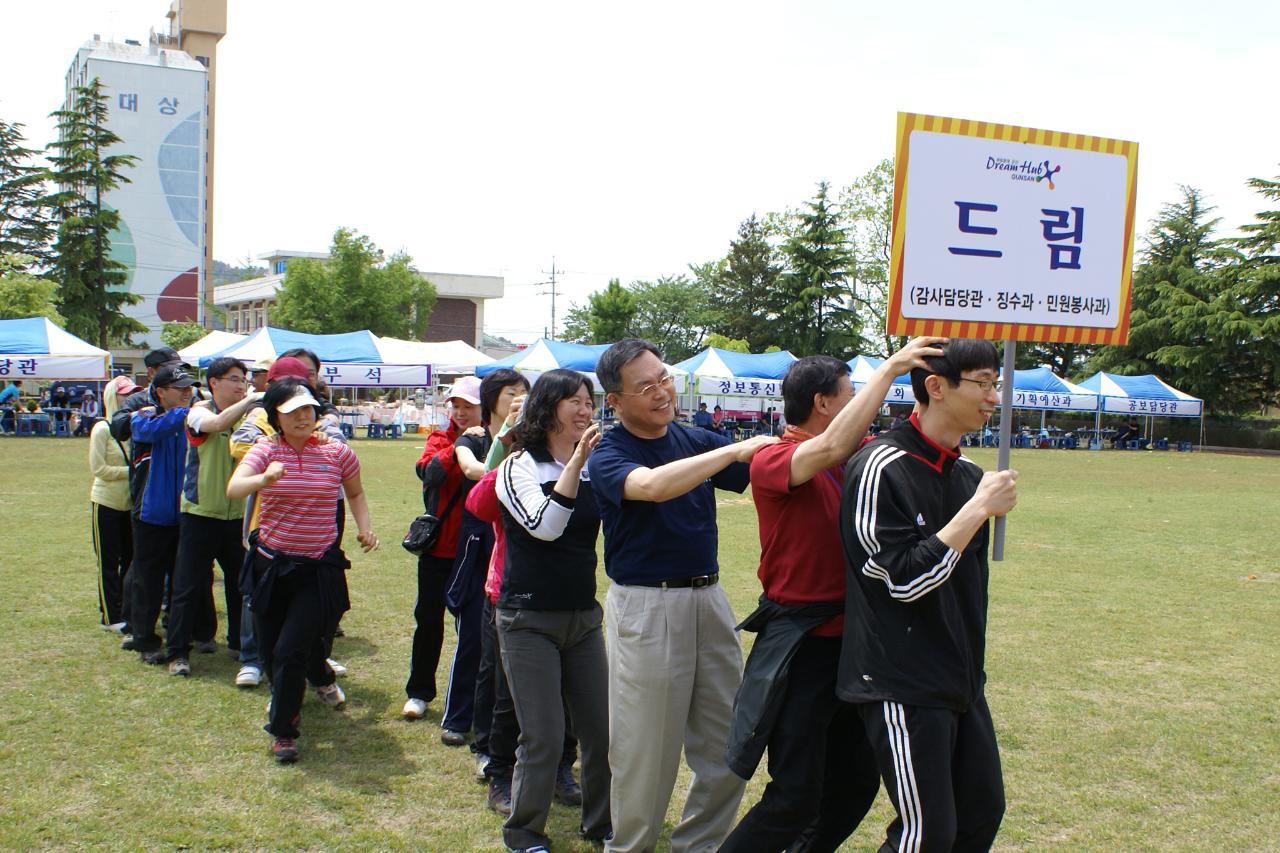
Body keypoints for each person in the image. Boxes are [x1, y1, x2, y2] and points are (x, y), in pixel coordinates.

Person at [721, 337, 944, 853]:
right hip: (804, 647)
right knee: (793, 796)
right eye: (852, 393)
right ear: (823, 402)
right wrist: (889, 368)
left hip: (860, 646)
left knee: (855, 786)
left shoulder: (862, 459)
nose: (865, 405)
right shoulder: (774, 459)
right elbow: (827, 448)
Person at [587, 338, 775, 853]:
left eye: (663, 377)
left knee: (728, 745)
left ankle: (698, 846)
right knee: (645, 752)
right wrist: (731, 450)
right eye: (644, 386)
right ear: (616, 401)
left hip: (709, 600)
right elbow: (650, 486)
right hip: (647, 608)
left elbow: (775, 467)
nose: (660, 391)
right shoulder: (608, 452)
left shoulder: (694, 439)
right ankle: (628, 847)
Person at [838, 339, 1017, 852]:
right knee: (927, 835)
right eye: (982, 383)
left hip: (961, 677)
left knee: (980, 814)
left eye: (995, 384)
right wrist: (976, 511)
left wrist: (977, 503)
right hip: (901, 680)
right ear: (935, 387)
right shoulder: (880, 465)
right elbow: (901, 581)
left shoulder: (966, 474)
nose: (993, 398)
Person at [228, 379, 378, 763]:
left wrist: (364, 527)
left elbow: (355, 492)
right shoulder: (264, 449)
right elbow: (235, 488)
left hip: (316, 567)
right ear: (276, 415)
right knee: (270, 651)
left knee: (290, 650)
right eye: (293, 410)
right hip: (270, 566)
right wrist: (265, 479)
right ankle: (320, 679)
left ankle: (283, 732)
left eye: (309, 409)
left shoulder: (336, 453)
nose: (303, 417)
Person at [494, 369, 612, 852]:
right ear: (548, 408)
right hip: (527, 620)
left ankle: (601, 823)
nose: (585, 409)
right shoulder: (517, 466)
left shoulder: (594, 466)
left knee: (602, 733)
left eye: (589, 400)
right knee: (543, 736)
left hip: (583, 617)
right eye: (574, 401)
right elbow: (545, 527)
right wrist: (578, 460)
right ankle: (524, 833)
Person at [230, 356, 346, 689]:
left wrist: (313, 442)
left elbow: (341, 448)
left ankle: (315, 657)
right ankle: (253, 658)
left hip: (318, 520)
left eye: (309, 377)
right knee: (263, 597)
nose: (304, 385)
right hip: (268, 523)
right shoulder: (259, 420)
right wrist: (278, 445)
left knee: (314, 599)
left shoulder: (322, 418)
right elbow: (238, 446)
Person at [440, 369, 528, 748]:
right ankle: (458, 718)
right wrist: (505, 433)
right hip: (478, 547)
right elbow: (480, 473)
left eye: (525, 393)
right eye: (512, 393)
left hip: (512, 549)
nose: (520, 399)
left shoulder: (531, 437)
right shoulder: (474, 439)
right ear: (493, 400)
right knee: (473, 639)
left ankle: (501, 728)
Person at [162, 357, 263, 676]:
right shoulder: (199, 411)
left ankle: (237, 643)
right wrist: (251, 400)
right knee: (188, 585)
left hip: (237, 517)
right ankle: (178, 653)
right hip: (200, 514)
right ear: (213, 383)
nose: (241, 384)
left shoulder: (252, 417)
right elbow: (217, 426)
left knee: (240, 585)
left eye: (244, 379)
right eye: (234, 379)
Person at [402, 377, 482, 722]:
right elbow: (429, 473)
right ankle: (419, 692)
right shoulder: (439, 438)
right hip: (438, 550)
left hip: (476, 551)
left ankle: (468, 700)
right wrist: (460, 445)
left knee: (473, 630)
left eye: (469, 406)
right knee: (428, 622)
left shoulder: (497, 440)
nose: (461, 412)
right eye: (456, 405)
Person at [129, 366, 197, 664]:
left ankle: (184, 634)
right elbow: (150, 431)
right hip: (151, 514)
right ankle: (145, 639)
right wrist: (188, 413)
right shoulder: (143, 415)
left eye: (189, 387)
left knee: (184, 580)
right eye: (178, 387)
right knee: (149, 580)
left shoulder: (195, 418)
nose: (186, 392)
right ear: (159, 391)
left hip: (186, 512)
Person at [88, 376, 141, 631]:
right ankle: (110, 616)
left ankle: (125, 609)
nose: (128, 399)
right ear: (112, 397)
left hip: (129, 504)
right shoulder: (102, 429)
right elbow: (99, 469)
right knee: (108, 562)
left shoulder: (135, 427)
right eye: (124, 395)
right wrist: (130, 471)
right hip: (106, 502)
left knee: (130, 559)